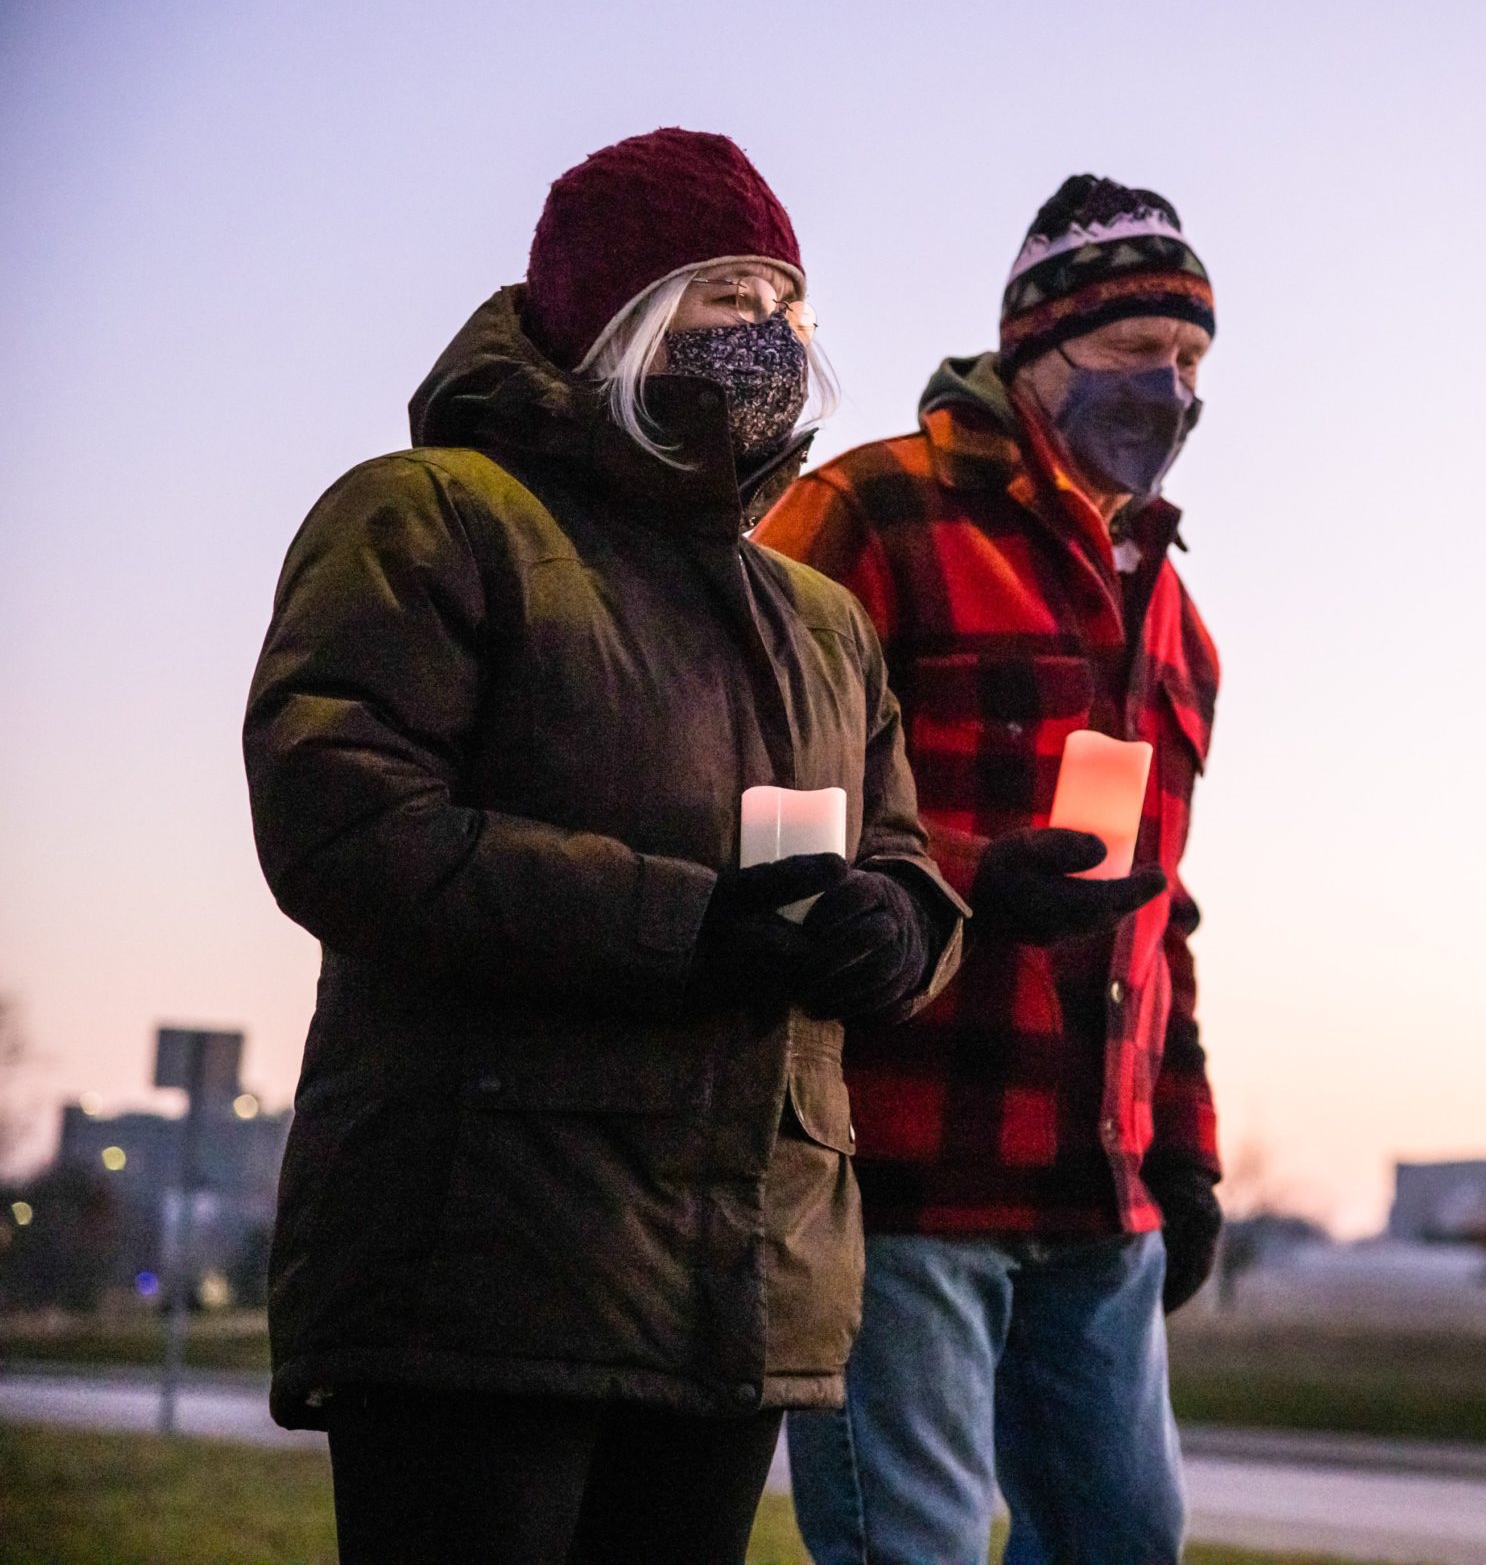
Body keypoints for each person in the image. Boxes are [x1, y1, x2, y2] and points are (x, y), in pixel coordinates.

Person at [242, 127, 965, 1565]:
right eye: (724, 302)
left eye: (785, 307)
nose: (766, 337)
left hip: (744, 1279)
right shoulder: (432, 515)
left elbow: (906, 858)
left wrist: (901, 927)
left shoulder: (818, 619)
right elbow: (345, 818)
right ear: (621, 325)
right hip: (483, 1266)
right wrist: (686, 925)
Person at [757, 173, 1224, 1563]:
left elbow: (1168, 912)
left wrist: (1185, 1151)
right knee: (918, 1549)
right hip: (906, 1168)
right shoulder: (869, 511)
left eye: (1194, 359)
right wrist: (966, 879)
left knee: (1125, 1538)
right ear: (1036, 349)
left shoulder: (1176, 616)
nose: (1175, 388)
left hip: (1101, 1185)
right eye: (1142, 351)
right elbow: (759, 793)